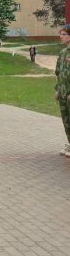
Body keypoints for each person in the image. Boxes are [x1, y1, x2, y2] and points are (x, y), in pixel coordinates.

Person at [55, 24, 70, 157]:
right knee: (66, 121)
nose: (61, 36)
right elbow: (58, 73)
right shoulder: (63, 52)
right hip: (63, 93)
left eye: (64, 34)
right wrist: (58, 90)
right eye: (61, 34)